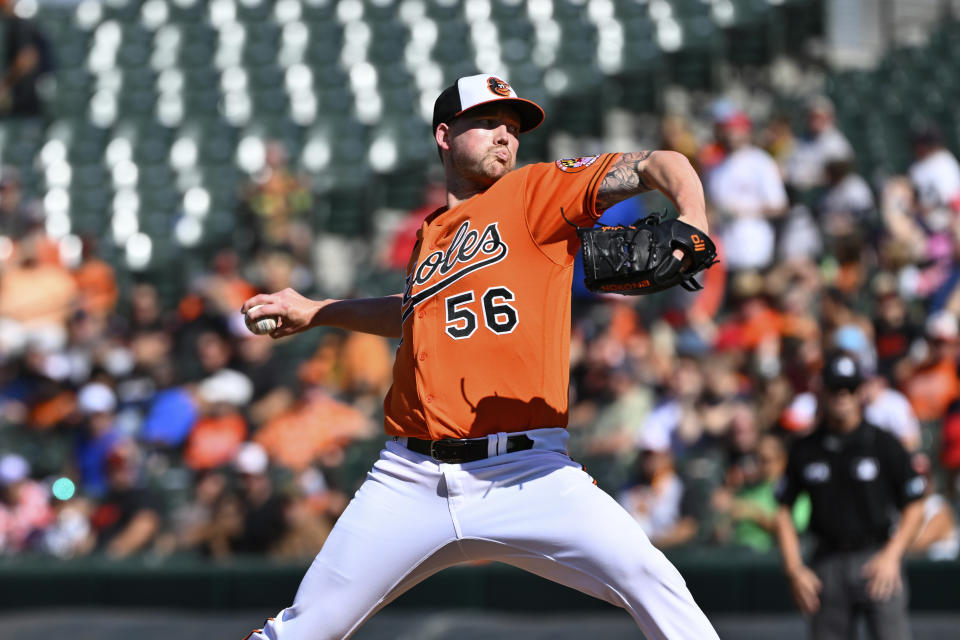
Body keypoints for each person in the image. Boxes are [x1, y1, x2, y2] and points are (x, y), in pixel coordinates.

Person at [242, 74, 718, 639]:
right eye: (489, 122)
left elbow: (659, 163)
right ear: (445, 135)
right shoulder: (430, 235)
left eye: (513, 128)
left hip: (526, 471)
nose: (505, 137)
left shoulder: (537, 193)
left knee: (654, 583)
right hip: (409, 476)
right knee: (302, 628)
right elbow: (414, 314)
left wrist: (694, 217)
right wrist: (319, 311)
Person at [775, 352, 926, 640]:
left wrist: (893, 555)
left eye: (850, 388)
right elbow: (783, 509)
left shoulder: (884, 443)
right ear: (823, 391)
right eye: (835, 388)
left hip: (876, 557)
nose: (842, 396)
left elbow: (915, 505)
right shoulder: (806, 448)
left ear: (861, 392)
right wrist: (795, 569)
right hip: (827, 561)